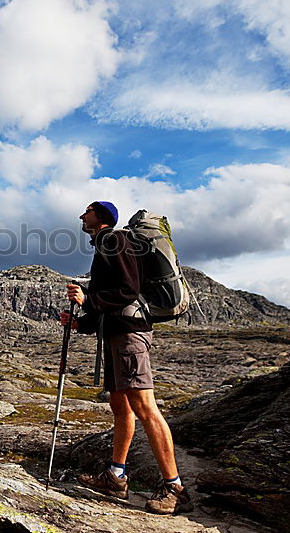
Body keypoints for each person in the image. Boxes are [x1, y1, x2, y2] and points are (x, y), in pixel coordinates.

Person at [60, 201, 192, 515]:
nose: (81, 215)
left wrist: (87, 297)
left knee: (145, 407)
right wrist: (82, 321)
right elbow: (110, 299)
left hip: (129, 335)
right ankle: (116, 477)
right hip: (117, 333)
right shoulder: (105, 245)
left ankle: (175, 488)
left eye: (87, 210)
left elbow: (128, 290)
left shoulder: (114, 240)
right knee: (120, 406)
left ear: (101, 216)